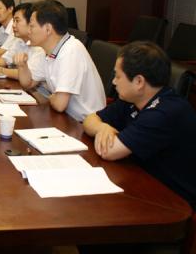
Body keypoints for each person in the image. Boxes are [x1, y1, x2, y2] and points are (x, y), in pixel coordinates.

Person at [83, 41, 196, 209]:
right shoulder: (131, 100)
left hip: (174, 203)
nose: (113, 82)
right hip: (143, 181)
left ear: (139, 81)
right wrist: (102, 127)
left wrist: (104, 131)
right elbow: (89, 120)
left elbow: (109, 151)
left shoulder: (166, 112)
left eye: (118, 76)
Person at [14, 0, 105, 121]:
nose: (28, 31)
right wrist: (22, 66)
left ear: (48, 29)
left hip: (84, 122)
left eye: (32, 26)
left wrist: (52, 97)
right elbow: (28, 83)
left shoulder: (71, 50)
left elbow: (60, 105)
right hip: (66, 117)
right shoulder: (46, 50)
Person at [0, 3, 45, 80]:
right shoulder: (19, 41)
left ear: (31, 23)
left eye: (17, 21)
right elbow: (4, 59)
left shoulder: (40, 47)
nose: (13, 25)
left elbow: (28, 75)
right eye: (13, 21)